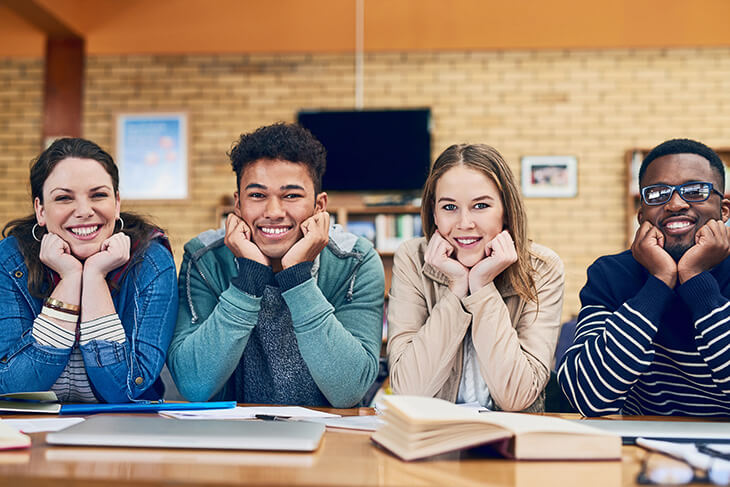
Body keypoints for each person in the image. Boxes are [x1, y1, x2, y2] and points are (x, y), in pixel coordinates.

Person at [167, 122, 384, 407]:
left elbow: (349, 390)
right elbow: (194, 384)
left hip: (329, 440)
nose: (273, 212)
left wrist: (298, 279)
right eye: (257, 195)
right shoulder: (205, 259)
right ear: (238, 204)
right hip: (229, 440)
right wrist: (249, 279)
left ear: (320, 206)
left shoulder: (355, 261)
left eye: (291, 195)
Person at [558, 138, 730, 416]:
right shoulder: (610, 275)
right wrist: (659, 282)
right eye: (657, 193)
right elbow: (587, 397)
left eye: (695, 190)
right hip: (640, 447)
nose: (675, 204)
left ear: (724, 210)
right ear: (642, 215)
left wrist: (696, 280)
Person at [387, 144, 565, 412]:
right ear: (434, 213)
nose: (465, 223)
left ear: (505, 210)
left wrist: (482, 288)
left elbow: (516, 396)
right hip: (431, 440)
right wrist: (457, 289)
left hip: (511, 443)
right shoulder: (412, 259)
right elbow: (409, 391)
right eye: (449, 207)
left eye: (480, 205)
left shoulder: (542, 268)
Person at [0, 138, 177, 402]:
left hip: (127, 429)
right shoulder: (10, 259)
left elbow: (124, 389)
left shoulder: (151, 261)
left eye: (98, 195)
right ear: (41, 210)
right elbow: (14, 388)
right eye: (63, 198)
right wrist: (71, 279)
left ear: (116, 202)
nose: (84, 211)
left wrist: (94, 277)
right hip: (31, 431)